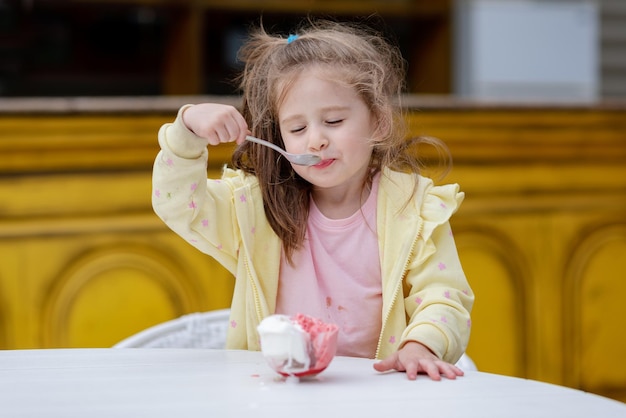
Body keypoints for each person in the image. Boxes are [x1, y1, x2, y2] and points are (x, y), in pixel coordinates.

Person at [152, 19, 473, 381]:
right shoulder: (256, 207)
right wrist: (187, 132)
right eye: (298, 129)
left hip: (380, 392)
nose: (315, 140)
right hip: (275, 393)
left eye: (334, 121)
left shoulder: (414, 207)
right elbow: (177, 204)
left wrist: (422, 345)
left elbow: (444, 297)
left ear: (379, 123)